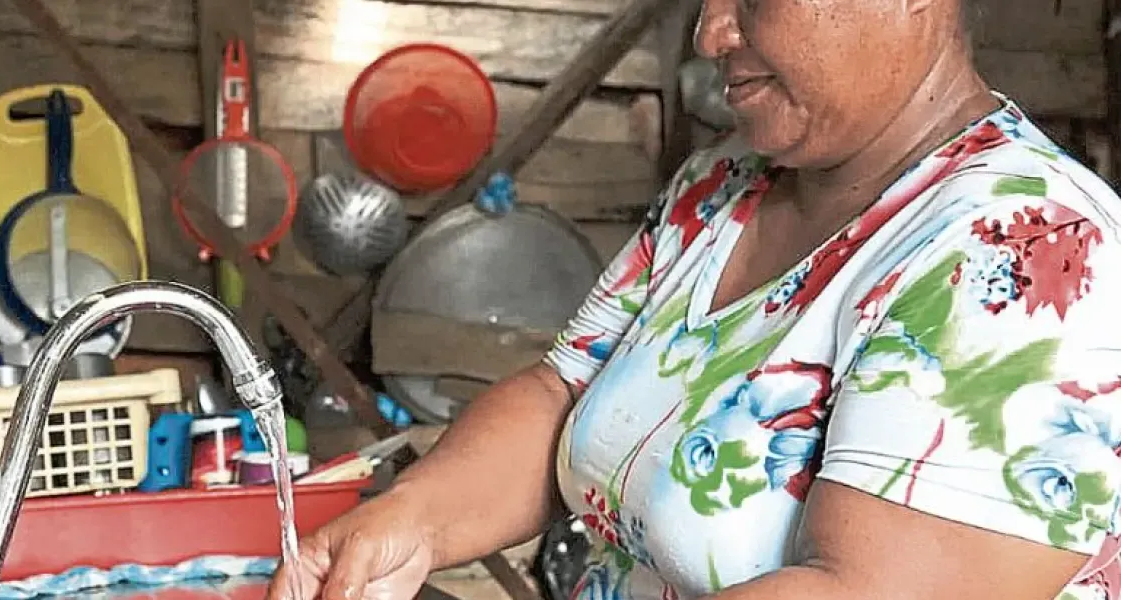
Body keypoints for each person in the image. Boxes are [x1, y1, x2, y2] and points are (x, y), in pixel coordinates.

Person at [270, 0, 1121, 597]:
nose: (712, 32)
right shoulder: (721, 185)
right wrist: (409, 521)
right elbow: (565, 392)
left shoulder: (1028, 246)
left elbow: (864, 589)